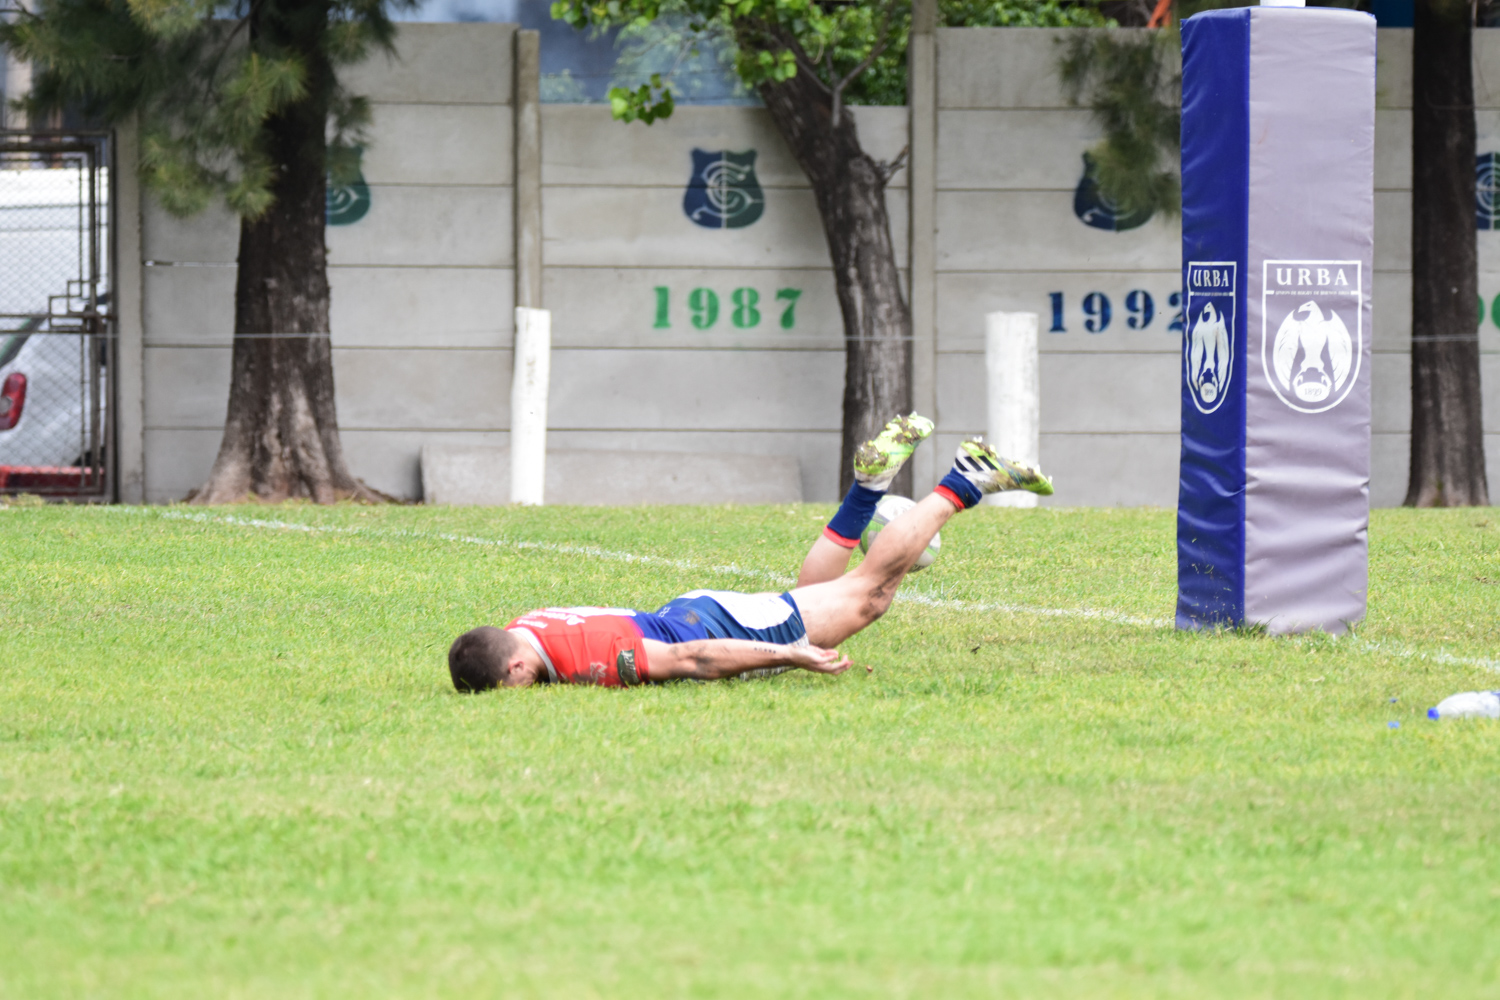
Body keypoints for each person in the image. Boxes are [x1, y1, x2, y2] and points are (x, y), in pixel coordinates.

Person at [447, 414, 1053, 690]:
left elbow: (695, 660)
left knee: (868, 596)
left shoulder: (595, 659)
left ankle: (965, 480)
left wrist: (791, 656)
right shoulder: (523, 629)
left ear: (516, 668)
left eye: (510, 690)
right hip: (685, 608)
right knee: (808, 600)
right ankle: (868, 489)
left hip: (704, 626)